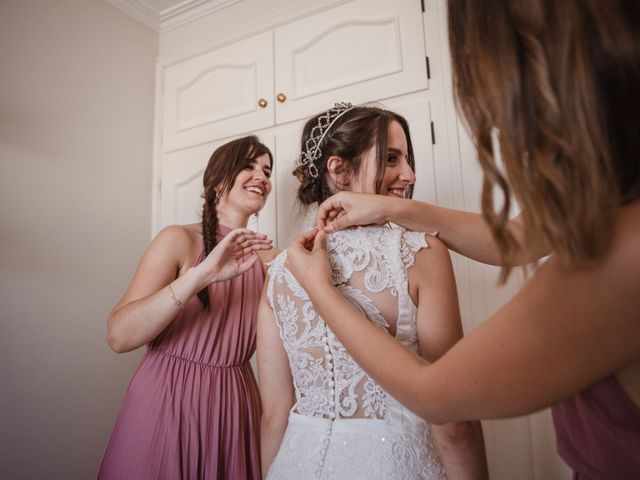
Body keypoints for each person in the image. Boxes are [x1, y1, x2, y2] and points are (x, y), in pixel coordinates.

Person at [286, 1, 640, 478]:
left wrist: (323, 291)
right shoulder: (607, 211)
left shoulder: (623, 252)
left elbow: (435, 396)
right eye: (391, 160)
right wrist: (395, 207)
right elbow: (516, 239)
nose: (497, 122)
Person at [258, 103, 488, 479]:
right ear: (338, 169)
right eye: (392, 158)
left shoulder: (280, 271)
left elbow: (272, 417)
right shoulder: (421, 254)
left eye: (407, 159)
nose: (409, 174)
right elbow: (453, 422)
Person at [98, 135, 277, 479]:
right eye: (248, 165)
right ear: (216, 180)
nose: (262, 176)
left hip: (235, 403)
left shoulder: (270, 258)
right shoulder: (178, 239)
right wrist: (201, 275)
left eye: (267, 170)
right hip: (167, 398)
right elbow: (119, 336)